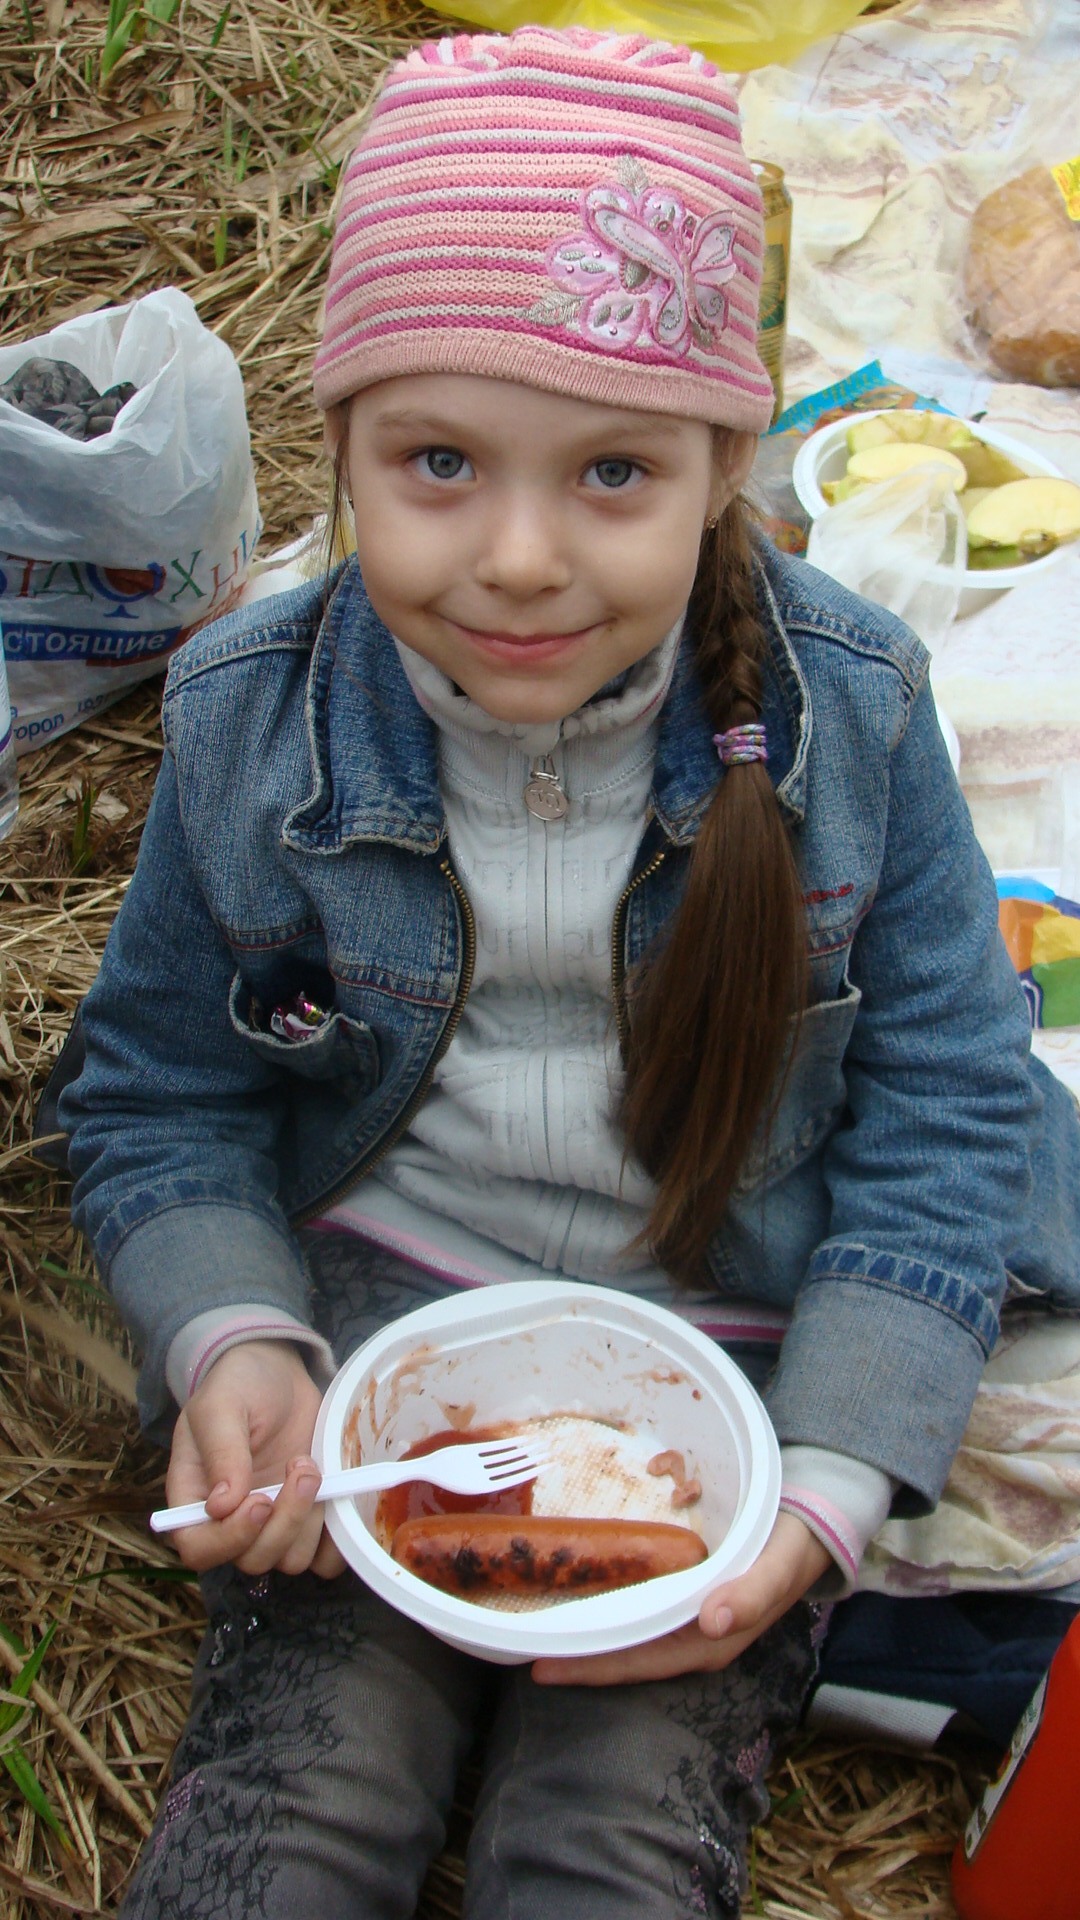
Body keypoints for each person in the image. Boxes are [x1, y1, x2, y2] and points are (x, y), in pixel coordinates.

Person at [58, 25, 1080, 1920]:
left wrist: (826, 1488)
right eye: (438, 462)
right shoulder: (245, 724)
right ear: (338, 443)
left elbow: (948, 1111)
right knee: (301, 1797)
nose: (519, 558)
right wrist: (236, 1333)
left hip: (734, 1339)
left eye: (613, 469)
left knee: (614, 1834)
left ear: (725, 461)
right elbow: (154, 1094)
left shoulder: (854, 718)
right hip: (382, 1319)